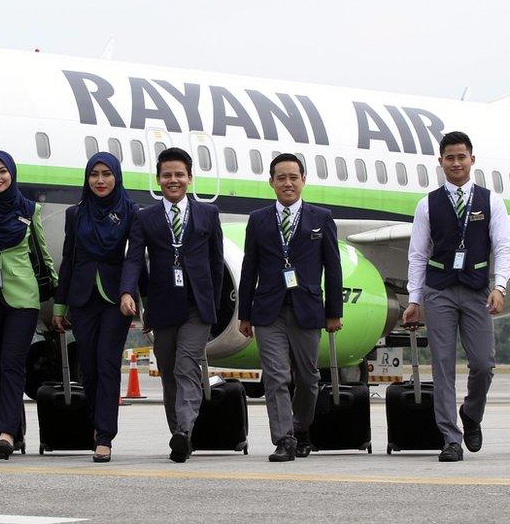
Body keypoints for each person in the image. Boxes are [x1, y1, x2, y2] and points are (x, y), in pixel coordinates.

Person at [402, 131, 510, 462]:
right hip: (440, 291)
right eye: (449, 157)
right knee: (443, 366)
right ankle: (450, 437)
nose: (456, 163)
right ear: (441, 162)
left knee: (483, 364)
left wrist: (501, 285)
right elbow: (417, 254)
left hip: (478, 289)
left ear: (472, 160)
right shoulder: (428, 204)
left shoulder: (490, 201)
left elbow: (504, 245)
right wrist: (414, 298)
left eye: (461, 157)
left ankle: (471, 414)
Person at [120, 147, 223, 463]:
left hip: (196, 306)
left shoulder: (208, 214)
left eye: (179, 174)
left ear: (190, 178)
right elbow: (135, 258)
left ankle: (183, 431)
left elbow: (216, 263)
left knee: (186, 365)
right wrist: (128, 293)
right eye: (167, 175)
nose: (173, 180)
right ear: (158, 179)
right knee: (168, 373)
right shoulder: (145, 217)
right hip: (163, 306)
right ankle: (180, 435)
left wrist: (212, 305)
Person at [238, 153, 343, 462]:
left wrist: (333, 312)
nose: (287, 183)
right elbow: (249, 269)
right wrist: (244, 314)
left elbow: (333, 268)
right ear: (271, 182)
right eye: (280, 178)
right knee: (275, 376)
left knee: (308, 379)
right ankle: (284, 439)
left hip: (307, 309)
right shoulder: (258, 219)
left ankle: (301, 427)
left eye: (293, 177)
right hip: (269, 311)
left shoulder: (320, 218)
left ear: (303, 180)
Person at [0, 151, 58, 460]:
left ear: (12, 174)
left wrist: (58, 302)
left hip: (22, 296)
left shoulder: (31, 210)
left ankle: (6, 433)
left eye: (2, 171)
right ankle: (3, 432)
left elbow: (42, 253)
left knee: (12, 363)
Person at [54, 152, 142, 463]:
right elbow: (68, 260)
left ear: (116, 176)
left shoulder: (131, 212)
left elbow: (134, 258)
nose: (100, 180)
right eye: (94, 174)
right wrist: (59, 305)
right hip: (82, 297)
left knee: (107, 363)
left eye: (106, 174)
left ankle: (105, 436)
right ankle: (96, 424)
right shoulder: (75, 214)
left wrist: (129, 291)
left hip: (116, 299)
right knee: (88, 367)